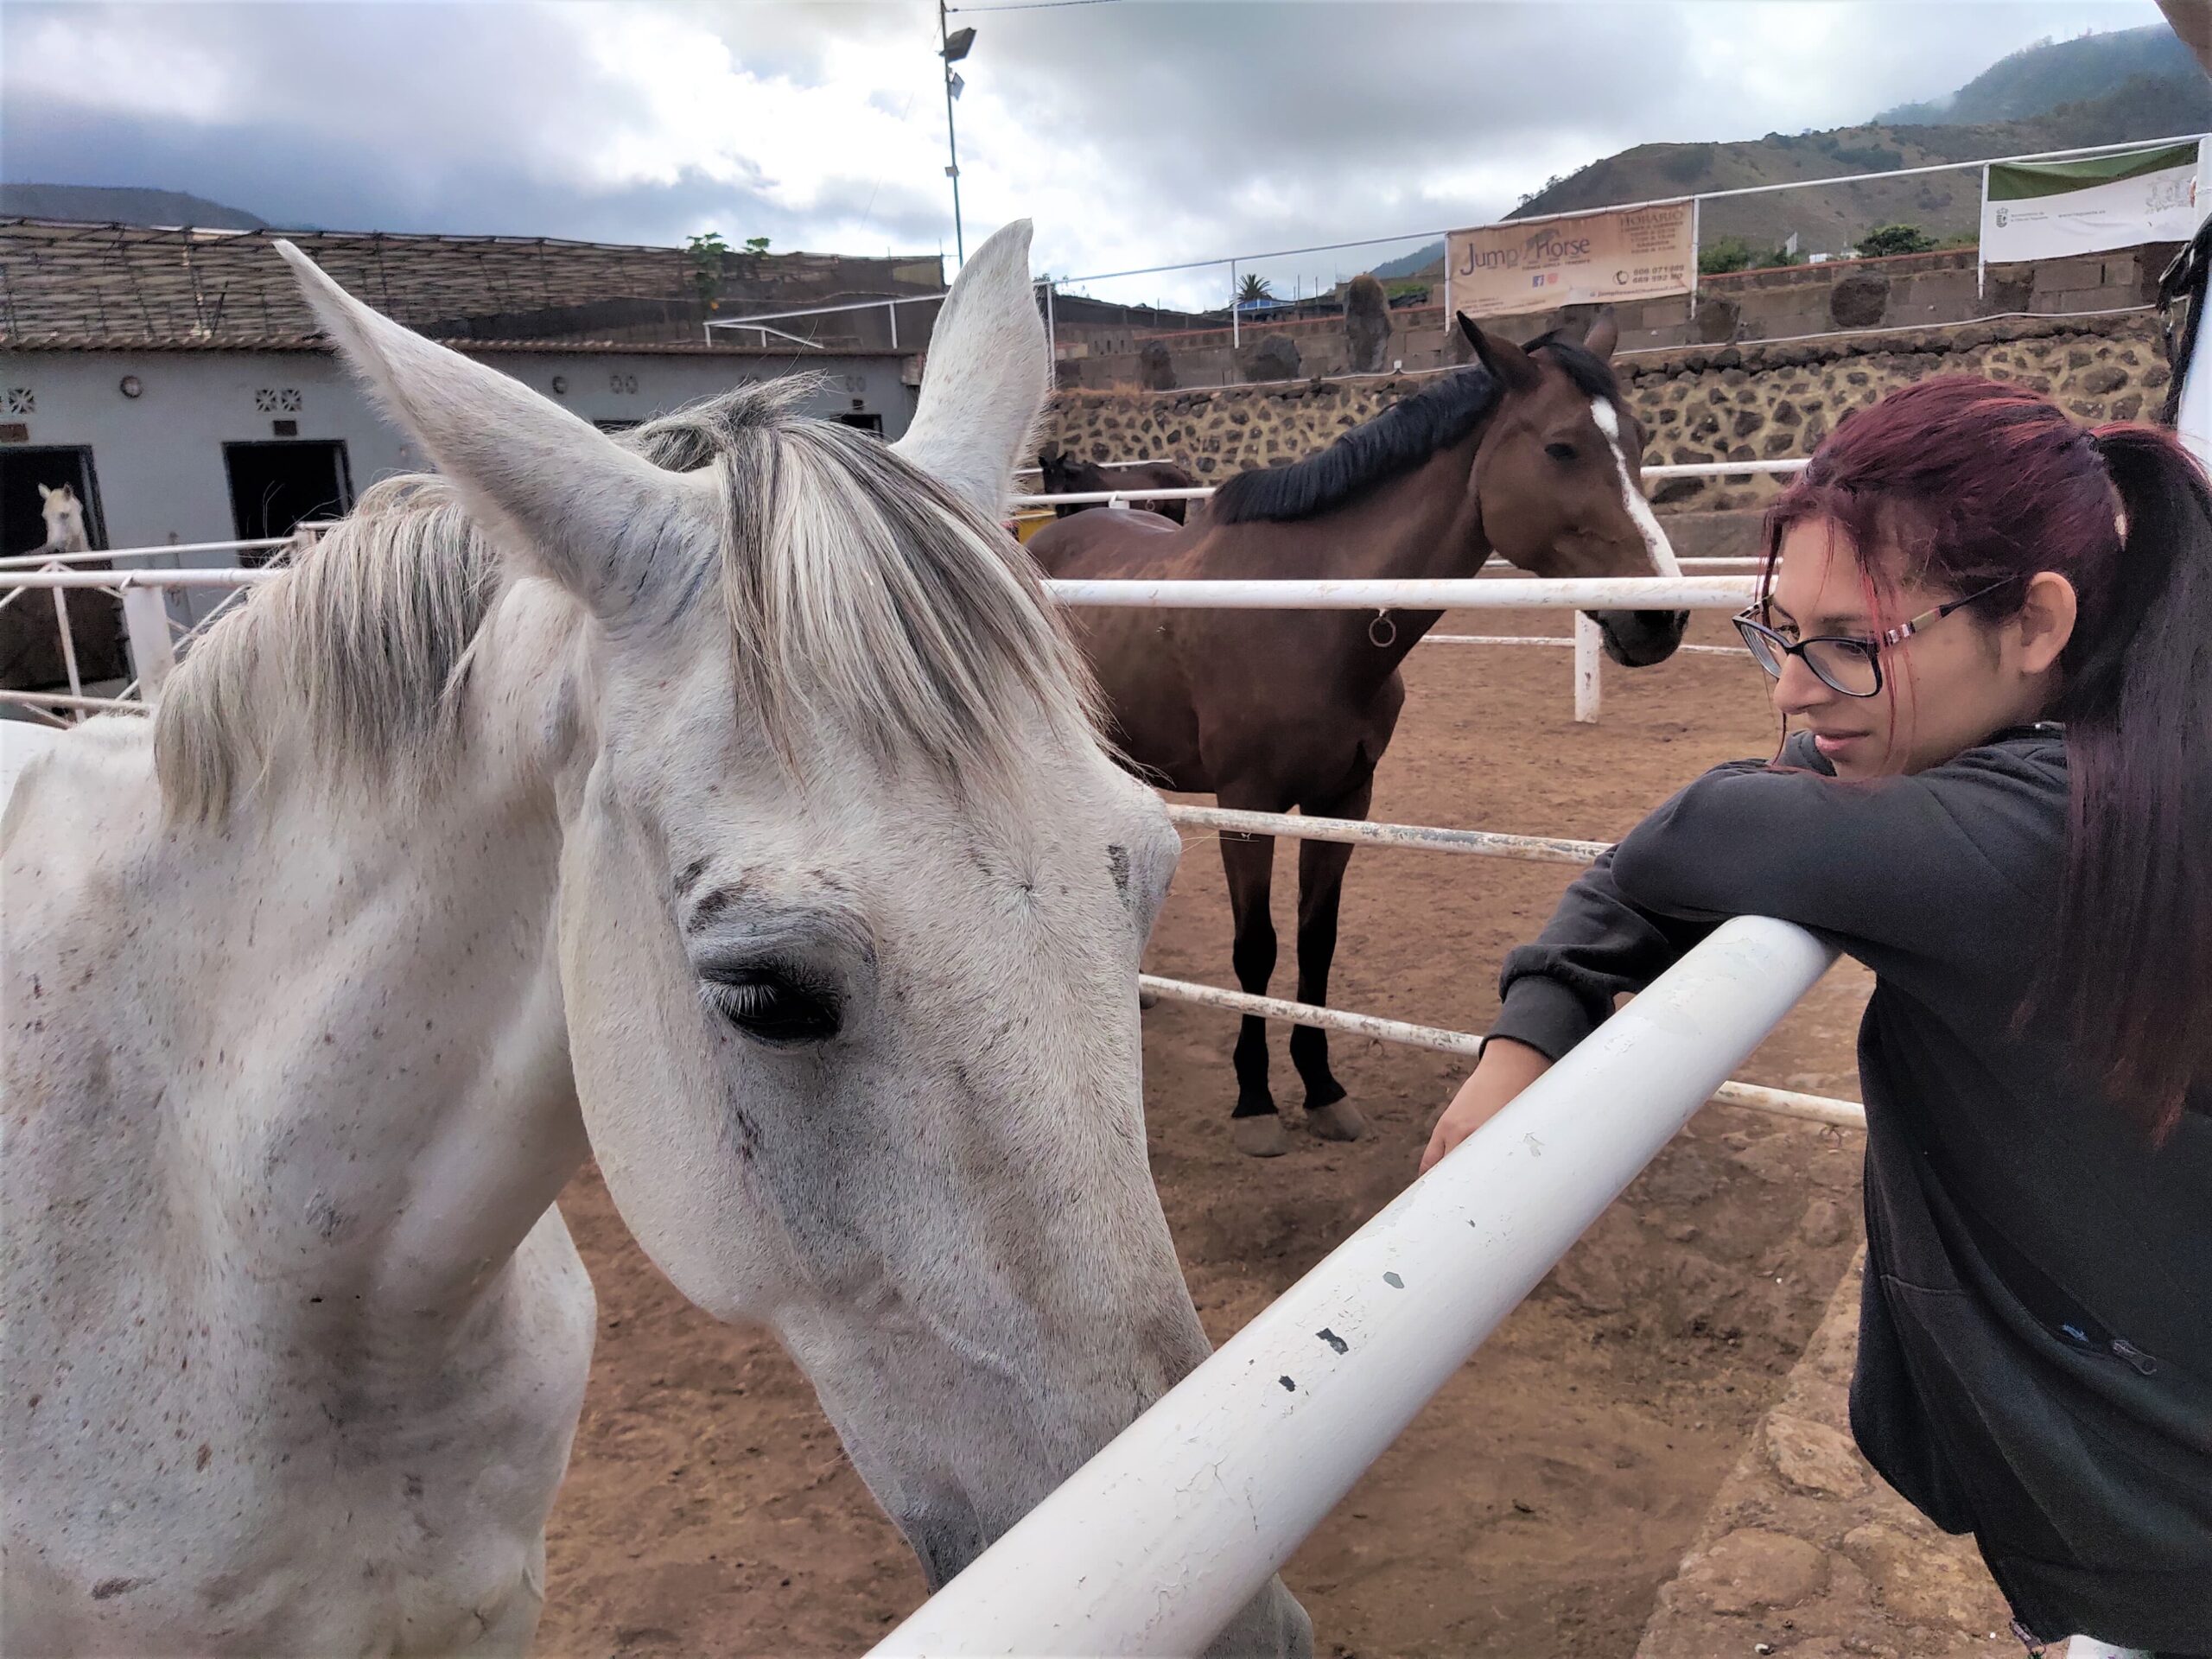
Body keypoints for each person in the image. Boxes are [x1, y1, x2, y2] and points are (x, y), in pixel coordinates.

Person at [1420, 377, 2209, 1656]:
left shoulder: (2039, 839)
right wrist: (1545, 1016)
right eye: (1780, 634)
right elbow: (1717, 837)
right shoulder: (2133, 747)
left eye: (1851, 641)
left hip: (2163, 1540)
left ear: (2037, 623)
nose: (1792, 692)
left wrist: (1531, 1021)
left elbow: (1703, 832)